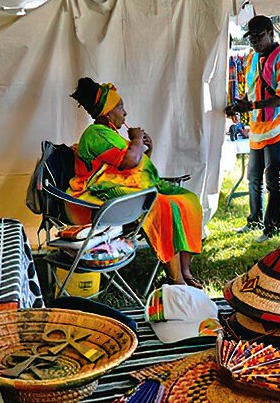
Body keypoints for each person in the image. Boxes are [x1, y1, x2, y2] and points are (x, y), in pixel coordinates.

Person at [69, 77, 204, 285]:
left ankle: (185, 271)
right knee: (164, 207)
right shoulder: (95, 134)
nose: (125, 112)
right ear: (107, 113)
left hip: (131, 189)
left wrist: (146, 149)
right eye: (120, 107)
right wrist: (137, 140)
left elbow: (133, 163)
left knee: (189, 201)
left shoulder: (111, 133)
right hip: (105, 196)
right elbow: (128, 162)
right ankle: (175, 279)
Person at [225, 15, 280, 240]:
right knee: (253, 177)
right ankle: (255, 220)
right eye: (251, 38)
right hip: (258, 127)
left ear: (270, 33)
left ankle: (272, 226)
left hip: (277, 127)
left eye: (259, 37)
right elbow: (252, 88)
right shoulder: (252, 58)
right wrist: (239, 105)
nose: (255, 42)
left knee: (272, 179)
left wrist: (252, 105)